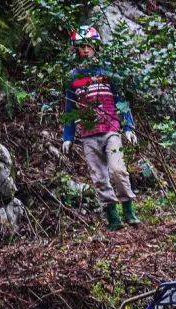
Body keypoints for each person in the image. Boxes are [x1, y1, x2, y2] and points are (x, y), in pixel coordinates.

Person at [62, 25, 140, 232]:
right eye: (81, 46)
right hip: (88, 134)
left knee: (118, 170)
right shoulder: (73, 77)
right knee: (99, 177)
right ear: (76, 49)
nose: (85, 50)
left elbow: (121, 100)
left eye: (89, 45)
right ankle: (113, 216)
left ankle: (129, 209)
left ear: (96, 46)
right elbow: (70, 107)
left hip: (111, 129)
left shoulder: (109, 72)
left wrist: (129, 126)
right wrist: (67, 136)